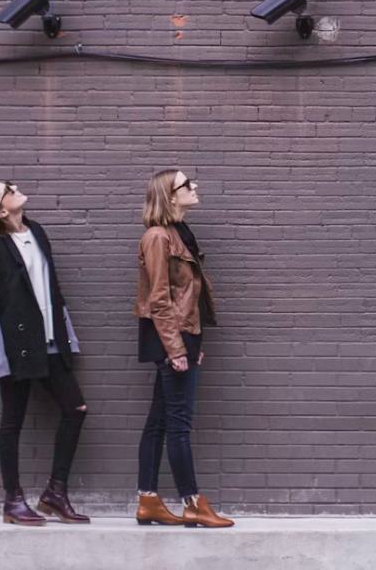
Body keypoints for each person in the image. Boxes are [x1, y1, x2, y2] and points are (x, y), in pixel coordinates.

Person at [0, 180, 89, 526]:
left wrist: (68, 336)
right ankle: (13, 501)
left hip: (51, 343)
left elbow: (53, 288)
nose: (15, 187)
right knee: (12, 422)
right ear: (1, 210)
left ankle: (55, 492)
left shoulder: (37, 231)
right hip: (16, 349)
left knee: (76, 409)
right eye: (7, 189)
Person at [133, 168, 234, 529]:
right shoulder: (158, 238)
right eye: (186, 184)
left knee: (160, 421)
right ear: (170, 196)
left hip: (181, 336)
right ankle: (193, 502)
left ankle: (148, 500)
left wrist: (193, 341)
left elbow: (187, 297)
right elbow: (159, 299)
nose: (195, 186)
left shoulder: (178, 233)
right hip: (170, 338)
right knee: (178, 423)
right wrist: (177, 348)